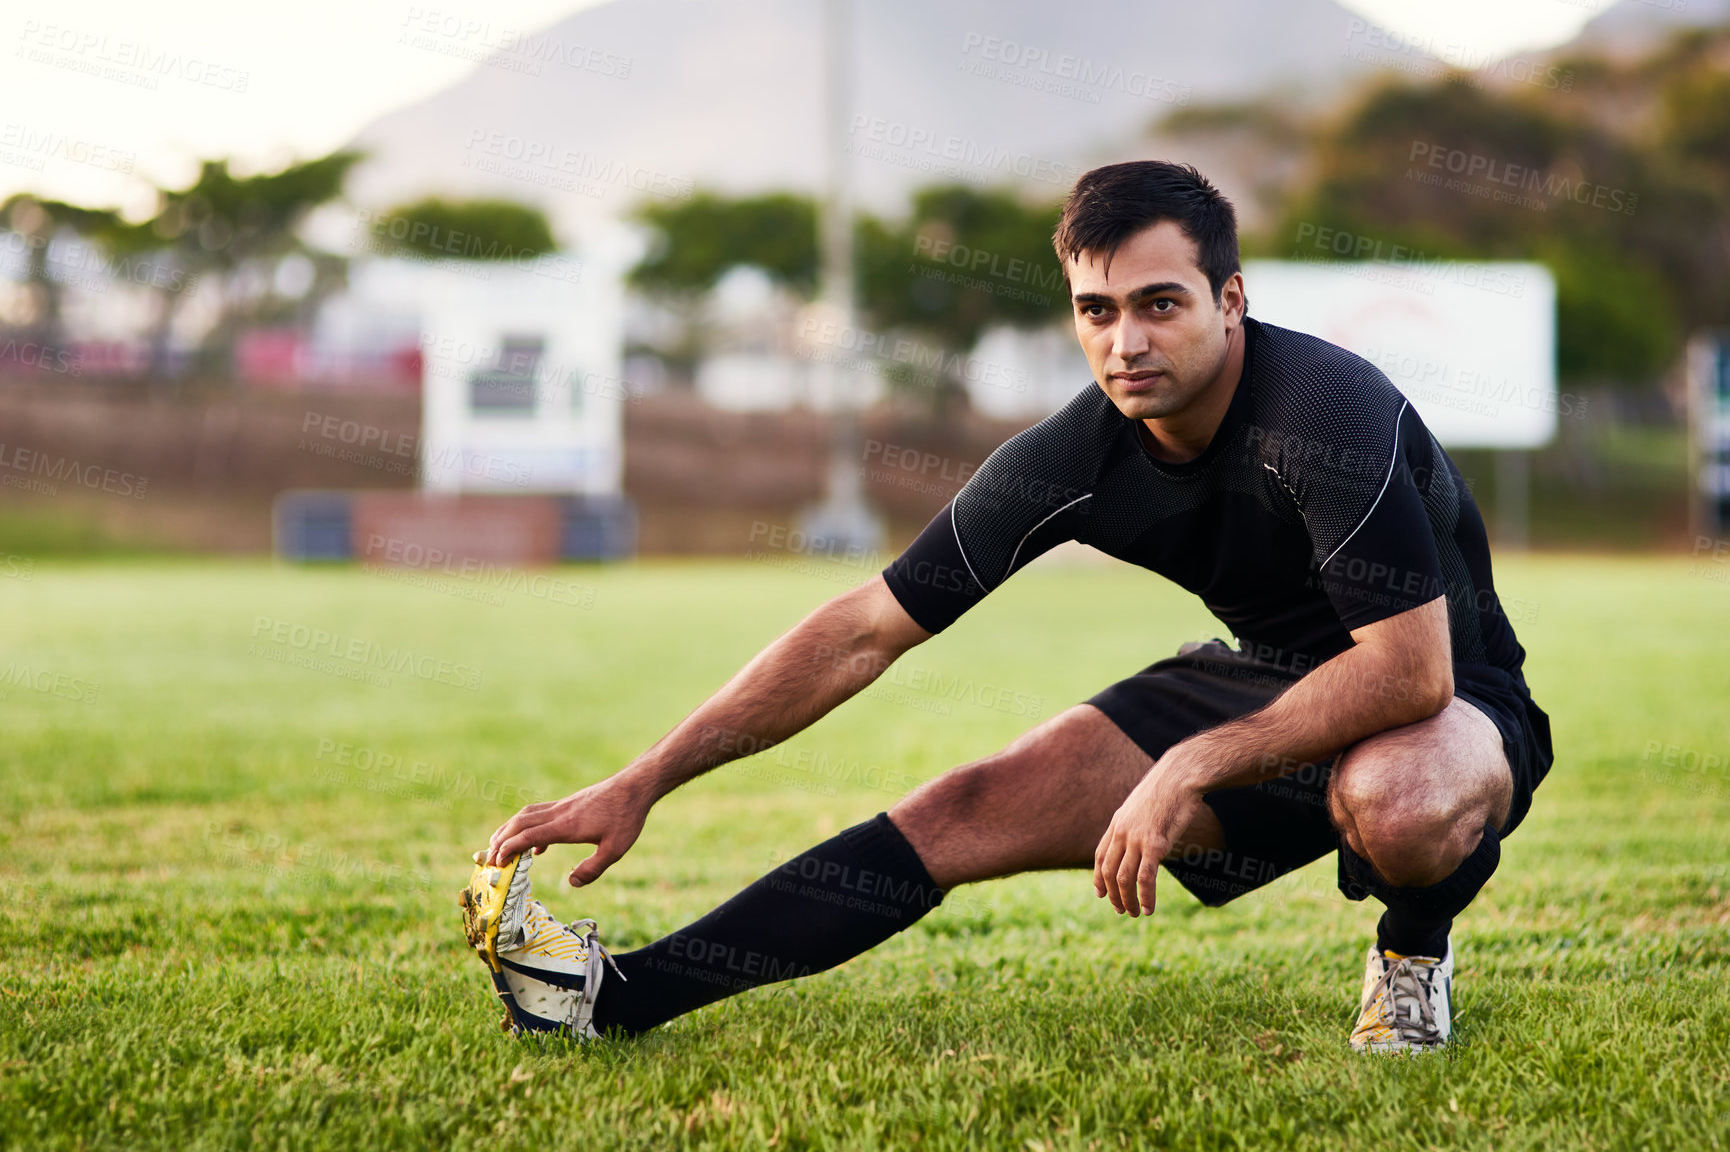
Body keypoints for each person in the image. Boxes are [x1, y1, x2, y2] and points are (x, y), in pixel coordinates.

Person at [478, 160, 1552, 1053]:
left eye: (1159, 304)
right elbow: (861, 629)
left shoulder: (1324, 409)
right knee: (957, 808)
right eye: (1097, 310)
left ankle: (1411, 949)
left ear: (1229, 301)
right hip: (1263, 675)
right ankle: (612, 996)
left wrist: (1188, 762)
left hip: (1454, 699)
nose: (1125, 341)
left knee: (1399, 797)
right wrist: (644, 778)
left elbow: (1409, 672)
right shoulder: (1068, 459)